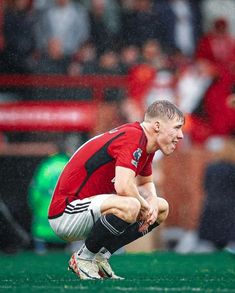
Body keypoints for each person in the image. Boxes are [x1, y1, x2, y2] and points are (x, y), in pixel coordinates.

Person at [48, 100, 185, 280]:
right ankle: (82, 258)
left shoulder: (146, 143)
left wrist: (151, 201)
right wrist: (144, 206)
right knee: (131, 205)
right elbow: (123, 186)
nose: (181, 135)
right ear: (157, 126)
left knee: (161, 207)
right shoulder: (133, 137)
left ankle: (100, 258)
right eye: (177, 127)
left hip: (91, 210)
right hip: (66, 213)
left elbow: (145, 183)